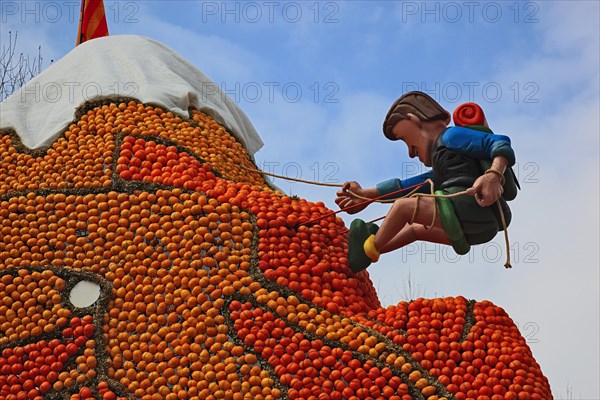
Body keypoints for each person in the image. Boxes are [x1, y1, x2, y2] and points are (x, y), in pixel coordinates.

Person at [336, 91, 518, 272]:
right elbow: (412, 185)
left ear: (414, 120)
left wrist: (494, 175)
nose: (410, 152)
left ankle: (368, 249)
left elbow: (499, 142)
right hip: (479, 226)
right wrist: (367, 195)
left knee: (403, 208)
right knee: (414, 229)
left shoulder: (451, 136)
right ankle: (372, 250)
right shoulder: (445, 164)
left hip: (468, 206)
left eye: (405, 139)